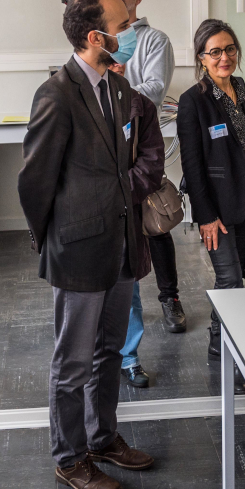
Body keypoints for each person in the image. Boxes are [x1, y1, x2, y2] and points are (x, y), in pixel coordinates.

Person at [18, 0, 155, 489]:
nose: (131, 31)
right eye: (123, 25)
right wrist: (54, 239)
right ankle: (70, 456)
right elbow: (34, 182)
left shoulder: (118, 91)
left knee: (109, 350)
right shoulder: (56, 94)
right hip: (77, 248)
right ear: (96, 37)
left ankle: (102, 438)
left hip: (120, 245)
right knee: (72, 362)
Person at [178, 19, 245, 368]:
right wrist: (204, 215)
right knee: (230, 278)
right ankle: (220, 345)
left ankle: (237, 337)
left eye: (230, 49)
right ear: (202, 58)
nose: (224, 57)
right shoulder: (194, 102)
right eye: (215, 52)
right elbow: (192, 164)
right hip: (216, 206)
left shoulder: (239, 88)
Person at [112, 0, 186, 334]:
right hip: (107, 151)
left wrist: (115, 91)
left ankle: (170, 298)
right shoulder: (99, 41)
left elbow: (155, 90)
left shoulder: (155, 40)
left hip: (143, 145)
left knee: (156, 224)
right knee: (116, 235)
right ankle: (125, 314)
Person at [107, 58, 166, 388]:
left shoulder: (140, 107)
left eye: (119, 64)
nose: (114, 69)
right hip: (87, 217)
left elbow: (151, 163)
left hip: (125, 213)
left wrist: (113, 193)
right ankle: (94, 359)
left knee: (127, 289)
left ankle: (129, 358)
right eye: (106, 63)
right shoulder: (72, 101)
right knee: (85, 296)